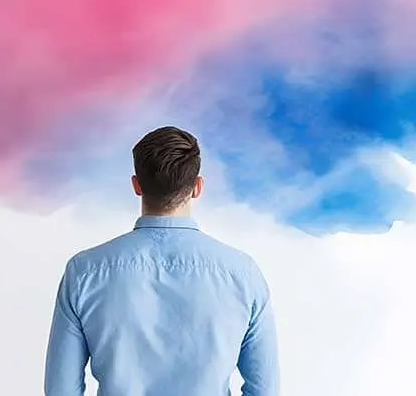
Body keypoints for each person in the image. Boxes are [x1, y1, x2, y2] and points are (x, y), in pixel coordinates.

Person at [43, 126, 280, 396]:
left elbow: (61, 390)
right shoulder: (242, 273)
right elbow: (265, 390)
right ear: (197, 187)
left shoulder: (84, 271)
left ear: (136, 185)